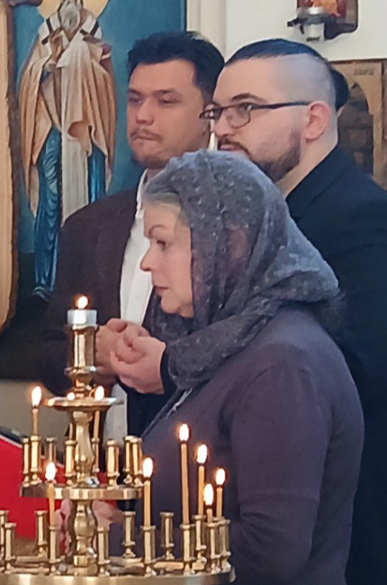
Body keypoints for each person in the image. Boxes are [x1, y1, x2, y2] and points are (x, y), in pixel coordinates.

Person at [208, 38, 387, 585]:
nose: (224, 128)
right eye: (218, 111)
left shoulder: (369, 224)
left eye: (245, 109)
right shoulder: (270, 223)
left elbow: (353, 369)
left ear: (315, 119)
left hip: (360, 533)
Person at [136, 151, 362, 585]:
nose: (148, 262)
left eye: (163, 243)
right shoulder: (229, 343)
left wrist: (118, 539)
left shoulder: (283, 364)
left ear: (231, 243)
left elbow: (271, 551)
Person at [42, 32, 223, 439]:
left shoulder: (236, 226)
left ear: (209, 114)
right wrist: (91, 356)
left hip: (196, 468)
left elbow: (249, 354)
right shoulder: (88, 227)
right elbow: (50, 354)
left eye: (166, 100)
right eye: (136, 99)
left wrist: (167, 366)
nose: (143, 116)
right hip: (102, 470)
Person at [19, 0, 117, 297]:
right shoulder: (47, 31)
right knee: (51, 199)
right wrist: (47, 65)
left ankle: (90, 276)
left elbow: (104, 82)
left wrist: (86, 61)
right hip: (53, 127)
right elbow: (31, 75)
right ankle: (46, 279)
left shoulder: (93, 30)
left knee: (88, 202)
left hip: (84, 132)